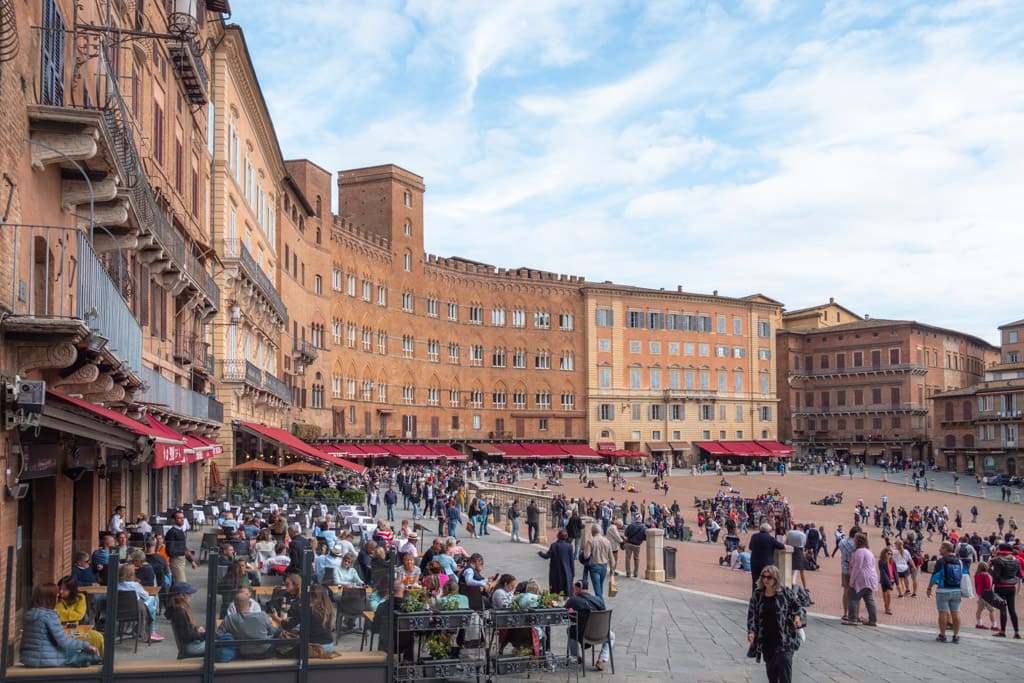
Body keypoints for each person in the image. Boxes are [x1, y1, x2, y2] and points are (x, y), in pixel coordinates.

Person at [20, 583, 100, 667]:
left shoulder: (30, 614)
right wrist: (86, 645)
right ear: (49, 598)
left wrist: (65, 636)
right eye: (57, 597)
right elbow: (63, 642)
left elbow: (41, 638)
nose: (58, 599)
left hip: (28, 659)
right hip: (47, 660)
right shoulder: (49, 615)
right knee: (91, 656)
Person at [746, 565, 803, 683]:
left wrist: (797, 617)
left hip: (785, 638)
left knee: (785, 670)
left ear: (775, 579)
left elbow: (797, 606)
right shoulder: (757, 595)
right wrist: (751, 631)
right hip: (767, 640)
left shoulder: (785, 592)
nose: (765, 580)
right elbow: (752, 615)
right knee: (772, 675)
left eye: (769, 577)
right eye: (763, 577)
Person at [565, 580, 614, 671]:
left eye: (574, 588)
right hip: (600, 633)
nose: (573, 590)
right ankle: (601, 659)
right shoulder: (599, 600)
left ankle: (576, 657)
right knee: (611, 636)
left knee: (570, 630)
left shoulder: (573, 600)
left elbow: (564, 614)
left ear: (578, 588)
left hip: (583, 635)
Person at [217, 589, 279, 658]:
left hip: (242, 653)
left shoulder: (229, 619)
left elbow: (219, 634)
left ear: (234, 605)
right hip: (265, 652)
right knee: (280, 633)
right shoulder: (263, 615)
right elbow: (272, 632)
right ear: (250, 604)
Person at [55, 576, 105, 655]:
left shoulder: (80, 598)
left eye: (64, 589)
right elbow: (55, 615)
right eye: (60, 588)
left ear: (72, 590)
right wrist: (70, 614)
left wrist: (62, 613)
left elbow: (79, 615)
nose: (61, 591)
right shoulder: (56, 599)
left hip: (75, 630)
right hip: (60, 631)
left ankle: (102, 660)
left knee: (98, 637)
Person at [925, 541, 963, 643]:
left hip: (943, 590)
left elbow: (935, 576)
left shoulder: (941, 561)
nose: (939, 550)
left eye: (941, 548)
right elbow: (961, 576)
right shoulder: (959, 561)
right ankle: (956, 636)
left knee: (943, 612)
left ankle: (943, 635)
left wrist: (929, 588)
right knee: (956, 612)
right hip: (956, 589)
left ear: (945, 549)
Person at [117, 563, 163, 641]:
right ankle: (151, 632)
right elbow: (146, 597)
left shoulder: (116, 585)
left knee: (151, 607)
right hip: (136, 611)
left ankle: (145, 629)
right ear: (132, 574)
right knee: (152, 600)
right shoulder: (135, 585)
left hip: (120, 611)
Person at [844, 533, 878, 626]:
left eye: (855, 540)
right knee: (869, 599)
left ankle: (852, 619)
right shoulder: (869, 551)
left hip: (862, 577)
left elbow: (857, 567)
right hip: (871, 577)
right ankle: (873, 620)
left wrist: (852, 580)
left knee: (852, 597)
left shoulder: (859, 552)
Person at [989, 543, 1021, 638]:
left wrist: (989, 570)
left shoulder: (998, 561)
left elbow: (997, 576)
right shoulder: (1016, 560)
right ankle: (1016, 632)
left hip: (1001, 586)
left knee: (1003, 610)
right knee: (1012, 610)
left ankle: (1003, 631)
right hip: (1011, 587)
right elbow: (1019, 574)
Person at [166, 583, 206, 657]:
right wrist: (202, 635)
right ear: (182, 596)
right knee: (217, 645)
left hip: (189, 645)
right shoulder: (179, 613)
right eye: (189, 594)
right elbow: (186, 636)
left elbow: (187, 630)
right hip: (190, 647)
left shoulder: (179, 610)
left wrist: (196, 629)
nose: (190, 596)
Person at [538, 529, 575, 597]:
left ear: (558, 536)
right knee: (566, 587)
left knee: (555, 586)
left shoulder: (554, 545)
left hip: (555, 571)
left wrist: (540, 553)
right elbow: (571, 561)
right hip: (566, 570)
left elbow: (546, 556)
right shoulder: (569, 546)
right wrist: (572, 572)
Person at [749, 523, 785, 591]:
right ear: (768, 530)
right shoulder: (770, 538)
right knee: (766, 580)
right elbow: (781, 546)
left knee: (755, 580)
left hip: (754, 562)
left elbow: (750, 547)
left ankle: (755, 596)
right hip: (766, 563)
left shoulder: (754, 536)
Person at [581, 525, 614, 598]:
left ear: (592, 531)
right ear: (600, 531)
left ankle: (601, 606)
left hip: (595, 566)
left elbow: (586, 556)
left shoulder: (590, 541)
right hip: (604, 566)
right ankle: (600, 602)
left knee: (597, 590)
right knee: (600, 586)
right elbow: (612, 558)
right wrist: (612, 570)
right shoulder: (607, 541)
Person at [166, 510, 198, 584]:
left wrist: (191, 561)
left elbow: (183, 547)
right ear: (173, 520)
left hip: (181, 560)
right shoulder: (172, 532)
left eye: (183, 518)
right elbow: (170, 551)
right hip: (176, 560)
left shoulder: (180, 530)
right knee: (181, 584)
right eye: (179, 518)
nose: (182, 519)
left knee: (177, 583)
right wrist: (184, 552)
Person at [973, 561, 1001, 631]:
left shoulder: (976, 575)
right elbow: (988, 586)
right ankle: (994, 625)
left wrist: (978, 593)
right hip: (987, 594)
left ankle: (979, 623)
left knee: (979, 609)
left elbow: (976, 585)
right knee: (992, 610)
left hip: (980, 594)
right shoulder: (986, 575)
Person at [878, 547, 897, 616]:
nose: (890, 555)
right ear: (884, 554)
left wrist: (897, 582)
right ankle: (886, 606)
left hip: (892, 580)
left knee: (888, 593)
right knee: (885, 593)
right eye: (889, 553)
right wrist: (888, 583)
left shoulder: (892, 562)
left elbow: (895, 572)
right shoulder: (881, 562)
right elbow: (883, 573)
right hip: (885, 580)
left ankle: (887, 607)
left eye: (891, 554)